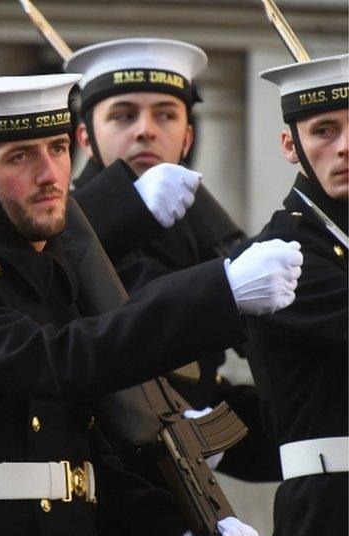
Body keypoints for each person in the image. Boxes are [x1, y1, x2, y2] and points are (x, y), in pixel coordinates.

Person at [0, 73, 298, 536]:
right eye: (20, 156)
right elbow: (55, 362)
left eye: (57, 149)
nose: (49, 174)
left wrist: (183, 533)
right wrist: (216, 291)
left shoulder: (56, 279)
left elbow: (94, 468)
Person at [64, 38, 277, 480]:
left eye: (165, 114)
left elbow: (207, 383)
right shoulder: (61, 227)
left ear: (188, 136)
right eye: (123, 115)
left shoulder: (202, 229)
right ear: (84, 136)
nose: (145, 130)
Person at [244, 52, 348, 536]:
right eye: (325, 130)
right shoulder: (283, 253)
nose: (345, 147)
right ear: (291, 145)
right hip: (332, 510)